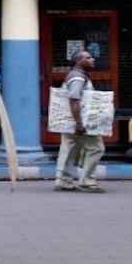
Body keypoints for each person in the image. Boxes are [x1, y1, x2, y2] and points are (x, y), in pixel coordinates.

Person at [54, 49, 106, 193]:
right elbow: (74, 100)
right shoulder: (78, 78)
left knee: (69, 148)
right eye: (88, 58)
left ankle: (63, 180)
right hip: (78, 121)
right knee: (97, 148)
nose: (92, 59)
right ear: (79, 61)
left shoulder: (75, 75)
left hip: (68, 121)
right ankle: (86, 181)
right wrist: (79, 123)